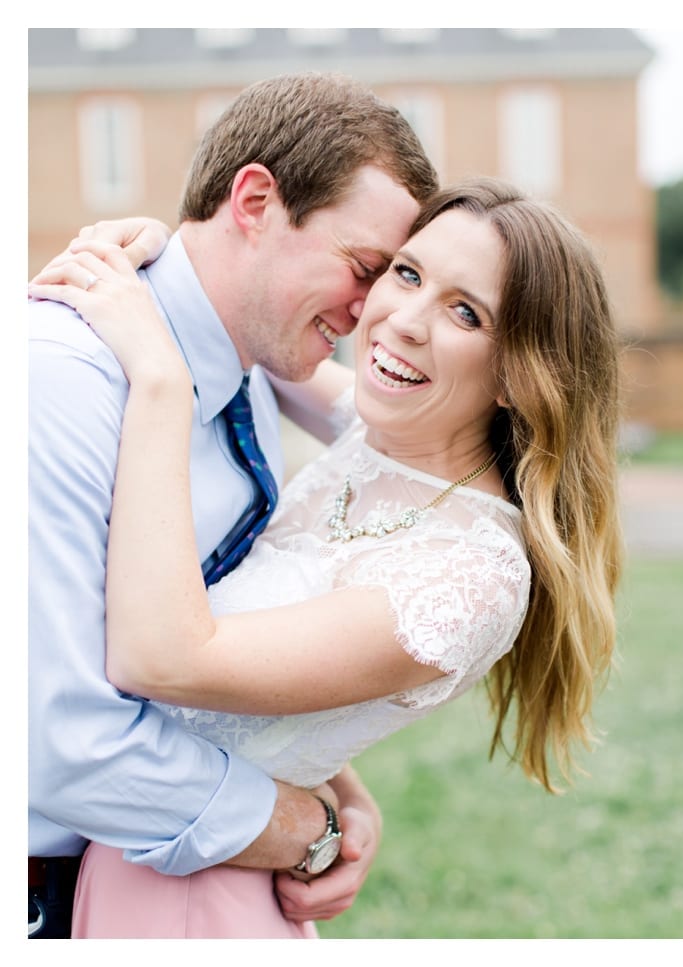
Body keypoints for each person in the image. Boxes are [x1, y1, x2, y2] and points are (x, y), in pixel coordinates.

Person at [28, 177, 623, 937]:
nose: (402, 321)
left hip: (194, 896)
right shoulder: (380, 430)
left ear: (518, 373)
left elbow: (164, 660)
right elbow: (241, 312)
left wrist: (160, 382)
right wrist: (154, 242)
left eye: (465, 311)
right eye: (405, 273)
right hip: (159, 842)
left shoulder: (472, 575)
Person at [27, 72, 437, 938]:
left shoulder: (249, 367)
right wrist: (304, 827)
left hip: (167, 874)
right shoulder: (60, 381)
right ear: (255, 200)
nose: (371, 315)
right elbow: (63, 743)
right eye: (366, 270)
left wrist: (340, 795)